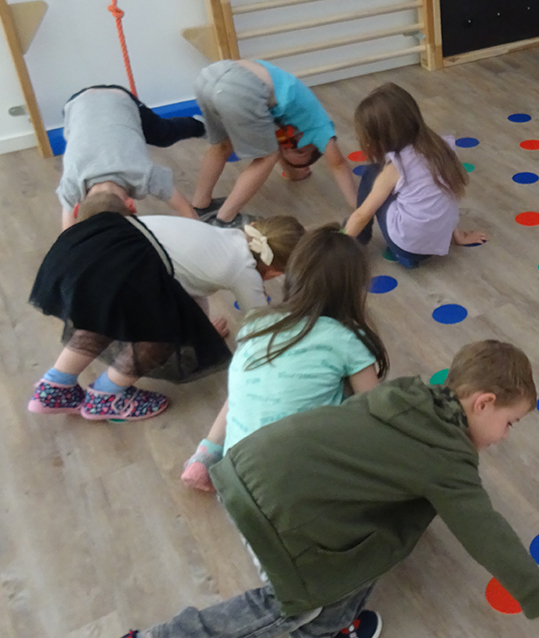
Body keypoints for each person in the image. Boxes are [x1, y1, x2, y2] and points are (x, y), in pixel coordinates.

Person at [105, 341, 539, 638]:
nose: (507, 435)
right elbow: (487, 534)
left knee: (371, 546)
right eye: (510, 422)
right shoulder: (447, 458)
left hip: (245, 468)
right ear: (483, 402)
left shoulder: (407, 393)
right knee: (292, 602)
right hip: (278, 512)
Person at [27, 194, 303, 421]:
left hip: (95, 246)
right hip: (128, 268)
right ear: (276, 271)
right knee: (164, 334)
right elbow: (259, 324)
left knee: (106, 316)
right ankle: (106, 397)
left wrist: (202, 333)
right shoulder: (245, 271)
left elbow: (187, 287)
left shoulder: (226, 236)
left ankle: (55, 386)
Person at [181, 226, 389, 491]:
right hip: (297, 495)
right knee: (357, 394)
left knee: (253, 386)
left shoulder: (256, 323)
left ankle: (205, 455)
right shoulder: (347, 338)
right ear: (354, 288)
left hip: (237, 487)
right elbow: (377, 410)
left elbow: (239, 396)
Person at [191, 59, 356, 228]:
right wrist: (358, 206)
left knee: (222, 145)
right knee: (268, 156)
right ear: (316, 145)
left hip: (211, 75)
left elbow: (280, 146)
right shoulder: (320, 128)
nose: (291, 145)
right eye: (300, 151)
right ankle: (225, 219)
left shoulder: (288, 123)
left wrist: (295, 174)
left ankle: (200, 205)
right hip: (239, 86)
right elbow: (338, 164)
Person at [343, 83, 485, 267]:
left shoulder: (397, 167)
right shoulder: (443, 147)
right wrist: (458, 235)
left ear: (381, 137)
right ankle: (409, 253)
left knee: (371, 174)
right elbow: (448, 196)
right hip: (437, 242)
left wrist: (339, 246)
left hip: (406, 245)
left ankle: (358, 242)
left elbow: (362, 214)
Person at [57, 85, 204, 229]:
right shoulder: (71, 184)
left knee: (163, 135)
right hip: (77, 104)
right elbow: (67, 236)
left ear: (131, 205)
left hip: (118, 99)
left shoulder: (145, 174)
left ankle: (200, 125)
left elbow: (189, 214)